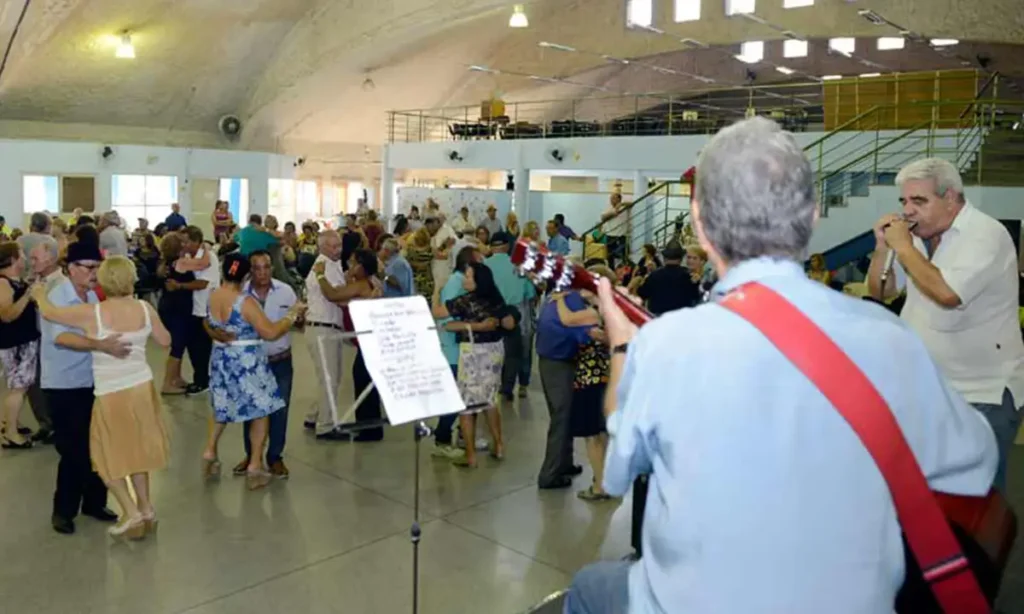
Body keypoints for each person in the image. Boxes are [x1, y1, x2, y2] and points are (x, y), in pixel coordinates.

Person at [563, 117, 998, 614]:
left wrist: (623, 347)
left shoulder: (669, 344)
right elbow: (974, 463)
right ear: (812, 217)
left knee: (589, 586)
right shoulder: (890, 339)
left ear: (701, 225)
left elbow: (619, 470)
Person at [868, 157, 1024, 492]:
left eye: (919, 201)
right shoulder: (918, 238)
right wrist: (883, 248)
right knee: (926, 494)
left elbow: (948, 293)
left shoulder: (985, 235)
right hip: (927, 389)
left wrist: (904, 247)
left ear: (950, 198)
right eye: (904, 201)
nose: (908, 211)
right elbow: (882, 291)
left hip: (980, 394)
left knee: (974, 499)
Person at [34, 256, 171, 539]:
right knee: (137, 450)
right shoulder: (145, 308)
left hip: (112, 393)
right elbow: (165, 340)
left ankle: (131, 512)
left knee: (103, 455)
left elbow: (50, 314)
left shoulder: (93, 313)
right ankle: (146, 509)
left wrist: (39, 295)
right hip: (141, 387)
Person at [41, 237, 130, 535]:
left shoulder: (92, 296)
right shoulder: (57, 297)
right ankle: (63, 511)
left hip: (93, 380)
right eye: (88, 268)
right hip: (64, 384)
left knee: (98, 444)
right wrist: (101, 345)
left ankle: (94, 502)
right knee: (73, 449)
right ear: (70, 268)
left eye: (97, 267)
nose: (94, 274)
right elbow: (62, 338)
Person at [202, 253, 304, 490]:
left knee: (222, 406)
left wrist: (218, 334)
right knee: (261, 410)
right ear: (247, 274)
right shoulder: (244, 301)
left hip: (223, 360)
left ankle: (210, 450)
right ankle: (255, 465)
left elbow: (207, 321)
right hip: (247, 363)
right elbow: (270, 332)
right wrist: (292, 314)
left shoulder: (213, 296)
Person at [431, 261, 516, 467]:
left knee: (467, 405)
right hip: (495, 352)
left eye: (469, 276)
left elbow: (438, 313)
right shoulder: (496, 299)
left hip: (473, 354)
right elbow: (508, 321)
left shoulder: (465, 301)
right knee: (490, 400)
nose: (464, 279)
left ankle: (470, 455)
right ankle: (499, 445)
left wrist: (437, 290)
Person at [535, 284, 596, 489]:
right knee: (561, 417)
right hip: (558, 362)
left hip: (552, 358)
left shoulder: (560, 298)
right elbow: (582, 334)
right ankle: (549, 475)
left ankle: (564, 463)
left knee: (565, 414)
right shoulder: (574, 302)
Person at [567, 265, 615, 502]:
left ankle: (599, 485)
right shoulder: (609, 308)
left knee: (592, 435)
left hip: (591, 375)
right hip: (606, 375)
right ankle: (605, 480)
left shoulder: (596, 311)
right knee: (602, 432)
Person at [431, 245, 484, 459]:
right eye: (479, 260)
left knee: (467, 395)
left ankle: (464, 435)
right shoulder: (456, 283)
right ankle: (442, 439)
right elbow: (446, 316)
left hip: (463, 345)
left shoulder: (467, 283)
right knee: (455, 395)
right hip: (453, 346)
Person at [485, 232, 536, 399]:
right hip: (517, 310)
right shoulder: (518, 265)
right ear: (507, 246)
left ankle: (495, 383)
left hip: (491, 310)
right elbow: (530, 293)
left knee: (492, 348)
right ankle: (520, 384)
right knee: (519, 350)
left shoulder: (484, 265)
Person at [0, 242, 40, 448]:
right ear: (13, 259)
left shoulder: (16, 282)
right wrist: (27, 295)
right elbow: (7, 315)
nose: (25, 258)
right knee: (18, 388)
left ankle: (10, 421)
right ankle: (11, 434)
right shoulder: (3, 283)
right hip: (16, 343)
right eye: (22, 255)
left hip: (22, 342)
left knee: (18, 387)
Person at [156, 234, 197, 395]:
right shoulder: (181, 265)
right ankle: (167, 382)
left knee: (180, 343)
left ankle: (176, 378)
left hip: (168, 306)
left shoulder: (164, 265)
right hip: (177, 309)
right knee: (178, 345)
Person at [181, 227, 219, 395]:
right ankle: (200, 378)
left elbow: (203, 283)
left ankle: (203, 381)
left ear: (196, 241)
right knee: (194, 347)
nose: (183, 245)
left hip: (206, 308)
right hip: (194, 308)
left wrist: (179, 286)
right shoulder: (188, 258)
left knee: (202, 348)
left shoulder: (208, 257)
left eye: (186, 241)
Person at [636, 242, 700, 315]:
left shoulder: (654, 275)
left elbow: (641, 293)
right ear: (681, 258)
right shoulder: (690, 276)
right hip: (682, 317)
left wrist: (645, 278)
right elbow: (696, 297)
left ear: (664, 258)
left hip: (658, 318)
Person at [427, 216, 457, 290]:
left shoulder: (447, 230)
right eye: (430, 225)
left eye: (434, 224)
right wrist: (444, 246)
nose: (432, 227)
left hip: (445, 265)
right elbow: (435, 253)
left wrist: (444, 247)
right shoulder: (429, 236)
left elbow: (453, 240)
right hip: (435, 265)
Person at [406, 227, 435, 301]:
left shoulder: (410, 253)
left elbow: (400, 240)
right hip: (427, 284)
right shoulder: (430, 252)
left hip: (414, 284)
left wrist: (408, 234)